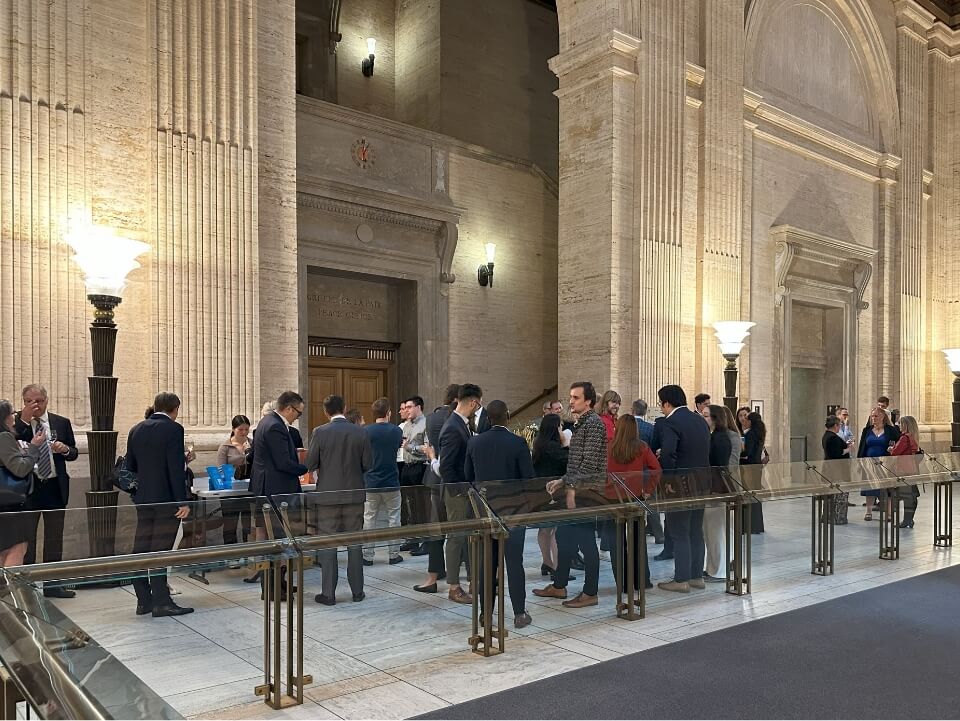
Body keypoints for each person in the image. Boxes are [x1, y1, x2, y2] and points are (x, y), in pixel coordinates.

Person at [534, 381, 607, 608]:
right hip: (576, 489)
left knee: (586, 542)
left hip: (587, 493)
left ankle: (590, 592)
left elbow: (589, 465)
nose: (571, 401)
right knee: (564, 538)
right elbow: (576, 464)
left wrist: (572, 489)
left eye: (576, 397)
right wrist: (562, 481)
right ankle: (559, 585)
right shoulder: (581, 423)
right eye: (571, 397)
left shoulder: (593, 424)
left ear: (588, 401)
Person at [464, 400, 536, 628]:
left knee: (487, 564)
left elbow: (468, 476)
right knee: (514, 562)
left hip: (485, 510)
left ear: (488, 418)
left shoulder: (474, 442)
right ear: (508, 416)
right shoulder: (518, 443)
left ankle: (485, 614)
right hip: (513, 510)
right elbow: (528, 479)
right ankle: (519, 613)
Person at [124, 392, 193, 618]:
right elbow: (174, 468)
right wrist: (183, 500)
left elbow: (131, 465)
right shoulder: (174, 429)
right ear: (175, 408)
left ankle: (144, 600)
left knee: (141, 548)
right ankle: (162, 601)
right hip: (166, 499)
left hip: (143, 498)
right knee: (161, 550)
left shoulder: (136, 429)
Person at [306, 394, 373, 605]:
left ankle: (328, 593)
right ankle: (357, 591)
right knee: (355, 544)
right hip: (354, 495)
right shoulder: (360, 432)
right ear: (344, 409)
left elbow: (310, 463)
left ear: (325, 411)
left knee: (328, 545)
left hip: (327, 496)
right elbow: (368, 463)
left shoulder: (319, 432)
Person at [14, 384, 79, 597]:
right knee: (27, 540)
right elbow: (11, 445)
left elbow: (74, 452)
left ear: (47, 400)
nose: (35, 406)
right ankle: (27, 586)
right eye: (29, 401)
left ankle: (53, 585)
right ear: (24, 402)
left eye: (39, 401)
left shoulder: (61, 422)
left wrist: (65, 449)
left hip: (54, 486)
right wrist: (24, 420)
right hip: (29, 488)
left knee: (54, 539)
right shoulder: (16, 423)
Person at [655, 385, 711, 594]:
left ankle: (681, 579)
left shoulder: (671, 421)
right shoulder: (699, 420)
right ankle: (696, 577)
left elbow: (669, 453)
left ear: (667, 403)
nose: (661, 408)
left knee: (679, 531)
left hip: (680, 484)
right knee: (696, 530)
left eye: (661, 404)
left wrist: (668, 479)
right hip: (702, 482)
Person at [437, 383, 484, 604]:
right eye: (479, 405)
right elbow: (446, 466)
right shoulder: (452, 427)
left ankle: (473, 580)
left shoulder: (461, 424)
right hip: (456, 492)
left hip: (465, 491)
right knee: (456, 538)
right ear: (473, 402)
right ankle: (454, 587)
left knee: (468, 536)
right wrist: (460, 491)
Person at [603, 414, 659, 593]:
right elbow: (656, 469)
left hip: (612, 499)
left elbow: (601, 473)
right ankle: (642, 580)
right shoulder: (642, 447)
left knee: (616, 543)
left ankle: (624, 583)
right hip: (635, 497)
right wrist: (648, 490)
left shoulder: (609, 447)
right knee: (638, 540)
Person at [412, 384, 459, 592]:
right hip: (453, 479)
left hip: (433, 477)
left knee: (436, 528)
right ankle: (463, 575)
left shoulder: (431, 418)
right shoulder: (456, 419)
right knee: (459, 528)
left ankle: (435, 572)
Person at [0, 399, 43, 569]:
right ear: (4, 417)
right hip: (10, 503)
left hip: (5, 505)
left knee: (4, 550)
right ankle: (13, 585)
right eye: (12, 413)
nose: (15, 416)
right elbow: (20, 469)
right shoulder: (4, 436)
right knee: (17, 548)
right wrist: (34, 447)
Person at [361, 398, 404, 566]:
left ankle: (367, 556)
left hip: (371, 481)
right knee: (394, 519)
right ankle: (394, 555)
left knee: (369, 519)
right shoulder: (396, 431)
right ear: (388, 412)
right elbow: (397, 448)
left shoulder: (366, 431)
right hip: (391, 480)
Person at [531, 413, 569, 581]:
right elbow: (568, 464)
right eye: (560, 426)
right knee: (554, 531)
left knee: (545, 528)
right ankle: (556, 567)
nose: (562, 430)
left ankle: (547, 562)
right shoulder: (554, 447)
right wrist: (566, 444)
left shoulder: (539, 444)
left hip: (541, 492)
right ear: (555, 428)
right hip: (554, 491)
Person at [703, 405, 737, 582]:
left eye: (706, 416)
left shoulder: (720, 438)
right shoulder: (714, 436)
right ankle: (712, 568)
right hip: (714, 487)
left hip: (717, 488)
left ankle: (719, 571)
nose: (703, 419)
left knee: (716, 532)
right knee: (711, 532)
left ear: (715, 418)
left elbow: (718, 466)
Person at [399, 396, 430, 554]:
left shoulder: (426, 424)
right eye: (405, 407)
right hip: (407, 466)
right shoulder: (406, 425)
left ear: (419, 407)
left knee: (421, 506)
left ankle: (425, 541)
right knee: (409, 506)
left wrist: (410, 447)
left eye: (409, 407)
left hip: (419, 467)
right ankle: (412, 539)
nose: (406, 410)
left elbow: (426, 449)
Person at [216, 415, 252, 547]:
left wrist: (248, 451)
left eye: (246, 429)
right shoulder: (225, 447)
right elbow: (220, 469)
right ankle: (231, 549)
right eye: (240, 429)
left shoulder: (252, 443)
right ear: (233, 429)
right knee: (230, 522)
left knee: (247, 521)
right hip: (230, 489)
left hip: (248, 487)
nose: (243, 432)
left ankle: (248, 547)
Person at [857, 407, 898, 522]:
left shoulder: (890, 430)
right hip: (869, 463)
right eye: (872, 416)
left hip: (886, 464)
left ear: (883, 416)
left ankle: (889, 513)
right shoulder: (867, 430)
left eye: (876, 416)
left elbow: (897, 443)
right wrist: (859, 462)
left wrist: (892, 450)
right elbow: (862, 446)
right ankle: (868, 511)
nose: (873, 418)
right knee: (870, 487)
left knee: (887, 488)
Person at [738, 408, 766, 533]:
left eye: (747, 418)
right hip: (756, 467)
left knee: (748, 495)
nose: (744, 420)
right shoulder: (759, 433)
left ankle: (748, 526)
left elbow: (746, 453)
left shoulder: (750, 434)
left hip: (748, 467)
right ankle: (756, 525)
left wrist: (738, 453)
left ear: (751, 422)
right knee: (755, 496)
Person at [891, 415, 922, 529]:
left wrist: (891, 449)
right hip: (912, 468)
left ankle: (906, 520)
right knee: (912, 495)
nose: (898, 425)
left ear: (906, 425)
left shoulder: (904, 438)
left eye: (901, 423)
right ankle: (909, 519)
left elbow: (895, 453)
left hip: (904, 469)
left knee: (907, 496)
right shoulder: (913, 437)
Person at [822, 415, 850, 524]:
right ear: (835, 425)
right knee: (838, 495)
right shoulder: (832, 437)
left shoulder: (827, 435)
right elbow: (837, 453)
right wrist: (848, 449)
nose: (840, 427)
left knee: (831, 495)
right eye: (839, 425)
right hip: (836, 470)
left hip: (829, 468)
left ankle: (828, 516)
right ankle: (837, 517)